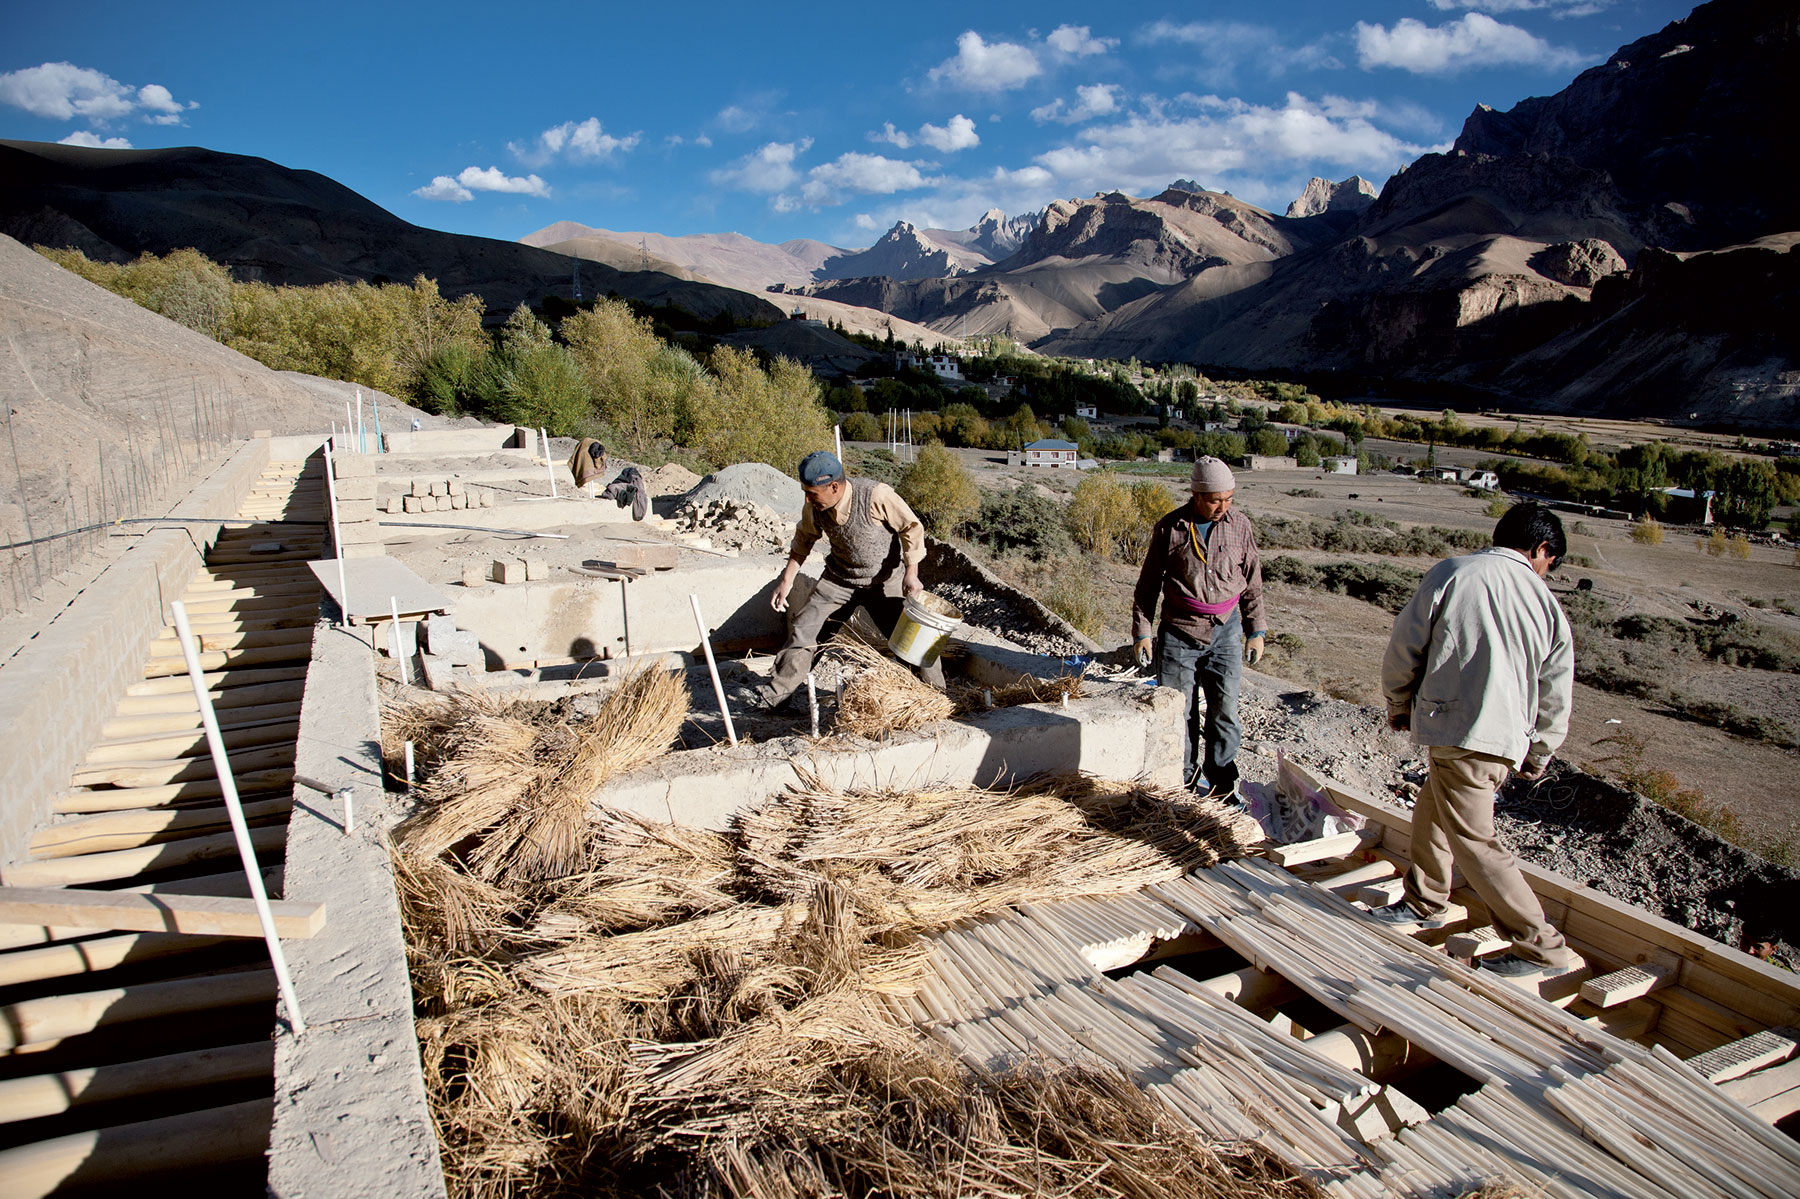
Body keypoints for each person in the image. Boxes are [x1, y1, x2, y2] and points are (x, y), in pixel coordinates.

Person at [1375, 501, 1580, 980]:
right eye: (1552, 563)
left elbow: (1404, 648)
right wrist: (1542, 749)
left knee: (1475, 839)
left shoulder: (1454, 573)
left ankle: (1539, 946)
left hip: (1460, 726)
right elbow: (1556, 687)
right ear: (1541, 549)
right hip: (1501, 735)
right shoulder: (1547, 605)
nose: (1547, 572)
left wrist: (1398, 702)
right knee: (1434, 802)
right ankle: (1424, 900)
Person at [762, 450, 943, 708]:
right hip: (838, 580)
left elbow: (911, 527)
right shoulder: (815, 505)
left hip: (885, 582)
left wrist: (911, 573)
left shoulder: (876, 496)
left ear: (834, 486)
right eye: (805, 491)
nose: (807, 498)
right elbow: (804, 539)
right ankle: (775, 697)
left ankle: (936, 699)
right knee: (804, 632)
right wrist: (786, 580)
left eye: (812, 493)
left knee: (913, 640)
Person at [1131, 456, 1266, 798]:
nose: (1223, 506)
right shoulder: (1170, 528)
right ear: (1196, 494)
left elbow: (1252, 581)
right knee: (1181, 713)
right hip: (1180, 632)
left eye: (1229, 499)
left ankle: (1222, 785)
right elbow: (1148, 584)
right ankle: (1184, 783)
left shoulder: (1240, 526)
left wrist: (1256, 630)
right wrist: (1143, 632)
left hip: (1227, 631)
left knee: (1225, 712)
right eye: (1215, 500)